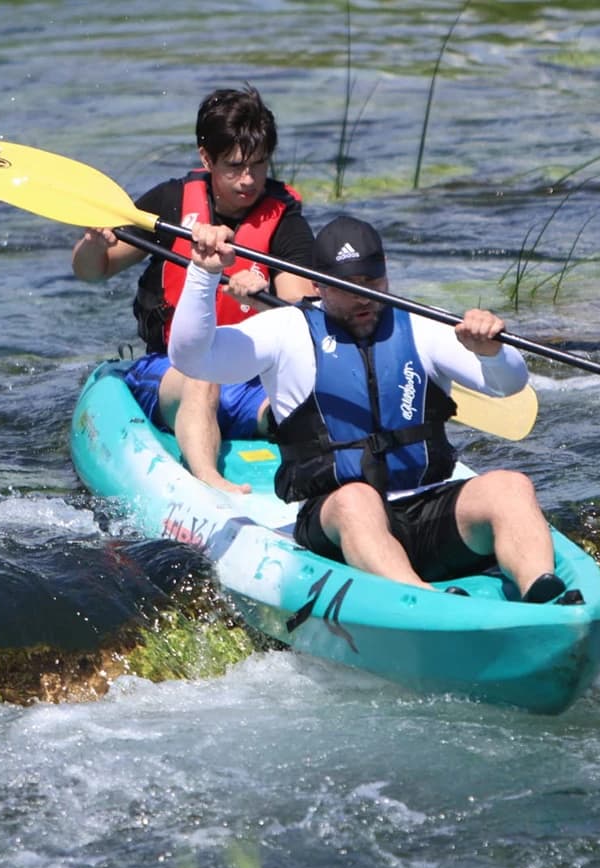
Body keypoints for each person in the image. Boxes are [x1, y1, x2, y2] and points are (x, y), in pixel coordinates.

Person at [167, 214, 575, 603]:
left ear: (386, 273)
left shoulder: (420, 326)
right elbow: (193, 359)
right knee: (357, 500)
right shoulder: (285, 330)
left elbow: (507, 385)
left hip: (426, 506)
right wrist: (204, 274)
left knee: (510, 485)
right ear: (317, 284)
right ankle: (424, 601)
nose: (362, 296)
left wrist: (491, 352)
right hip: (337, 522)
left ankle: (546, 593)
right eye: (346, 286)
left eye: (371, 281)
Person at [72, 85, 314, 495]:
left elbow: (300, 307)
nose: (249, 180)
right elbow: (94, 271)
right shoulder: (171, 202)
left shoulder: (285, 220)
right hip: (171, 372)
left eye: (259, 165)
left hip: (249, 379)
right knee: (203, 374)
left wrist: (259, 302)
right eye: (234, 167)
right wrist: (94, 245)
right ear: (207, 158)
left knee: (303, 407)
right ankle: (209, 482)